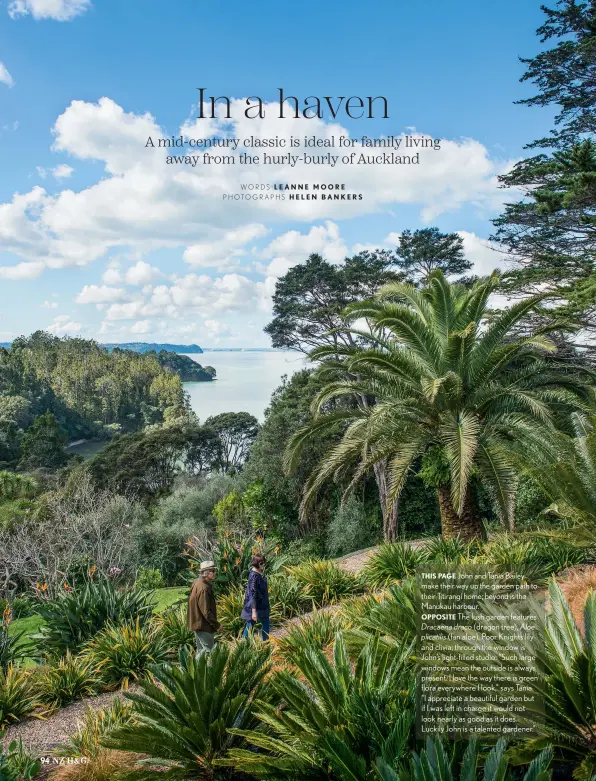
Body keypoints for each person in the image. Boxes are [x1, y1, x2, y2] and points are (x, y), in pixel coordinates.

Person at [186, 560, 221, 655]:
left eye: (214, 571)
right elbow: (206, 612)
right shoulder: (204, 588)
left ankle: (196, 670)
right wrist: (217, 625)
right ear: (205, 573)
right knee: (208, 652)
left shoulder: (197, 582)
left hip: (198, 624)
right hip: (204, 625)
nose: (214, 573)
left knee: (201, 653)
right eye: (212, 571)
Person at [241, 554, 270, 640]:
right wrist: (253, 611)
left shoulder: (258, 574)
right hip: (256, 607)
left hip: (261, 606)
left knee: (252, 625)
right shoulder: (254, 576)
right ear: (259, 564)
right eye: (263, 563)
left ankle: (244, 644)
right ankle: (265, 644)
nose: (264, 565)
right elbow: (252, 594)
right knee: (260, 625)